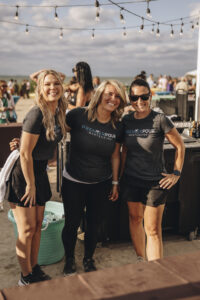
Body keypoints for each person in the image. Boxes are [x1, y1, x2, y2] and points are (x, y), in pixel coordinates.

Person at [6, 70, 67, 286]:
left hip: (40, 171)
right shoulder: (36, 113)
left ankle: (34, 268)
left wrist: (50, 76)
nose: (53, 87)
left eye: (56, 84)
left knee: (39, 224)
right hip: (24, 175)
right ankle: (25, 277)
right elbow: (24, 153)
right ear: (39, 89)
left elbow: (61, 77)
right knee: (27, 228)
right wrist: (30, 184)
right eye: (47, 84)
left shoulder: (58, 111)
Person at [62, 80, 127, 275]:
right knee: (72, 223)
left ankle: (88, 259)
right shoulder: (77, 116)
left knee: (94, 224)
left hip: (101, 183)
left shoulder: (118, 125)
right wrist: (22, 142)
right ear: (99, 95)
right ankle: (70, 260)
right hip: (73, 181)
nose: (113, 99)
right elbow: (55, 130)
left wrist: (115, 183)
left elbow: (116, 155)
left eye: (117, 96)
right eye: (109, 94)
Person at [120, 78, 185, 262]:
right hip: (131, 180)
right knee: (134, 219)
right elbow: (124, 150)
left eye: (143, 97)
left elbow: (180, 146)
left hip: (155, 182)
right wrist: (118, 180)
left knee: (153, 230)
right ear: (130, 98)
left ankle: (156, 272)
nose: (139, 102)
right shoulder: (126, 121)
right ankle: (142, 260)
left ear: (150, 96)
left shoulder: (159, 119)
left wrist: (176, 174)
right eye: (134, 97)